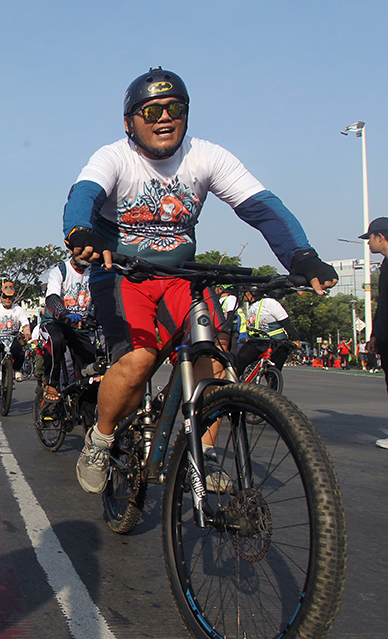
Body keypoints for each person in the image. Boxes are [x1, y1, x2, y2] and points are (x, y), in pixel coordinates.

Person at [64, 67, 338, 493]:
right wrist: (81, 229)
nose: (163, 118)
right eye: (149, 110)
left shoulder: (206, 156)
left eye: (174, 107)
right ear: (128, 121)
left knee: (212, 359)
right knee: (138, 362)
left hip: (180, 277)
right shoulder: (114, 157)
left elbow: (262, 207)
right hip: (123, 275)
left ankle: (202, 457)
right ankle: (100, 439)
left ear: (186, 114)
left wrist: (301, 256)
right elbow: (84, 194)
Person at [38, 257, 98, 403]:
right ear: (72, 250)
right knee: (56, 340)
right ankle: (51, 383)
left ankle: (89, 418)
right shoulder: (60, 271)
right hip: (55, 322)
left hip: (79, 327)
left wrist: (93, 317)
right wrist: (64, 313)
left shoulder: (93, 273)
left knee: (92, 365)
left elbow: (98, 299)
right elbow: (52, 297)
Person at [358, 218, 388, 448]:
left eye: (369, 238)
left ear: (380, 236)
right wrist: (376, 335)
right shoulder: (385, 265)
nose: (368, 244)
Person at [235, 288, 301, 376]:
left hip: (275, 342)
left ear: (251, 293)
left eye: (244, 293)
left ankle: (272, 388)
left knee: (272, 373)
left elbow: (286, 322)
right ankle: (234, 385)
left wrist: (295, 339)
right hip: (257, 342)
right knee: (240, 359)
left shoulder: (270, 303)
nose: (242, 296)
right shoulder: (252, 306)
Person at [0, 282, 31, 401]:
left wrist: (26, 331)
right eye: (5, 297)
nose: (7, 299)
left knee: (19, 350)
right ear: (0, 297)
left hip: (13, 337)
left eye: (10, 297)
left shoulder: (18, 309)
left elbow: (25, 323)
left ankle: (17, 370)